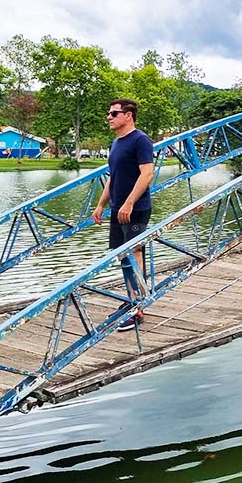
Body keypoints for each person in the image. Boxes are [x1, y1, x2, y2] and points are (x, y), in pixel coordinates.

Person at [91, 98, 155, 330]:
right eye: (109, 113)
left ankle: (138, 309)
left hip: (135, 208)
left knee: (134, 252)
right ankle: (131, 299)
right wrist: (100, 205)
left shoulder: (140, 140)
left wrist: (129, 203)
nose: (109, 117)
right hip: (118, 208)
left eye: (114, 113)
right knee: (122, 255)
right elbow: (113, 176)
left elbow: (147, 174)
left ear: (128, 115)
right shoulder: (116, 143)